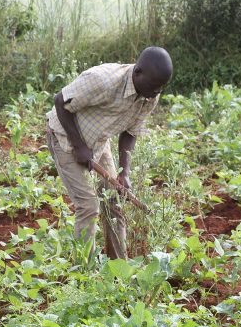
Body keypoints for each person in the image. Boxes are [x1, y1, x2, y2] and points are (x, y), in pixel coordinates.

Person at [46, 47, 173, 259]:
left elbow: (130, 132)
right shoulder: (103, 80)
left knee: (114, 201)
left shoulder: (151, 93)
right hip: (64, 138)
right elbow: (60, 101)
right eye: (152, 87)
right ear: (138, 72)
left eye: (160, 89)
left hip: (98, 141)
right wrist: (79, 146)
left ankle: (118, 268)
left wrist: (125, 172)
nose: (154, 94)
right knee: (88, 206)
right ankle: (84, 272)